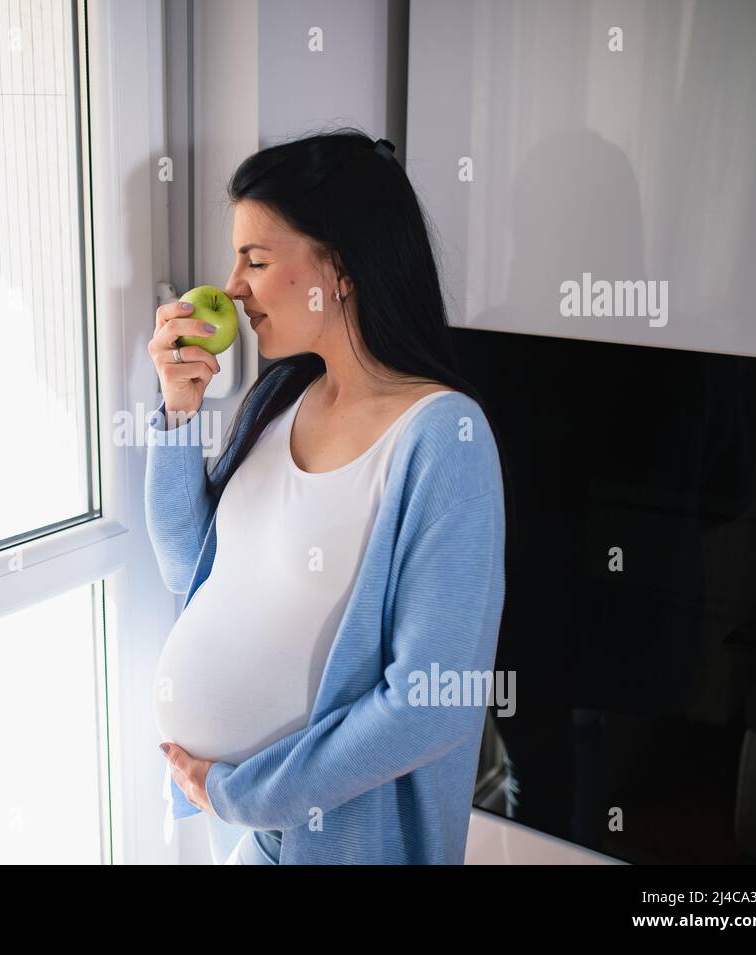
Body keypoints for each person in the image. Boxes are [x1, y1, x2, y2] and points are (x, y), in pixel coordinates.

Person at [144, 127, 512, 864]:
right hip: (257, 835)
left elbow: (425, 704)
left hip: (345, 843)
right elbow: (192, 569)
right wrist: (178, 414)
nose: (234, 286)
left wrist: (242, 790)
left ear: (338, 267)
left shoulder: (443, 441)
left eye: (256, 258)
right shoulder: (279, 398)